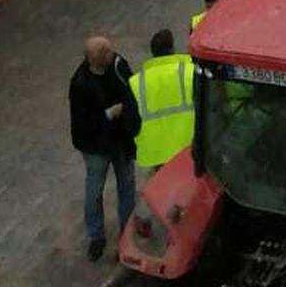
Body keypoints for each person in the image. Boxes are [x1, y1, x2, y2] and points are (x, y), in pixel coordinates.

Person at [70, 35, 140, 261]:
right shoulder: (80, 84)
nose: (114, 53)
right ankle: (96, 236)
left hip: (119, 139)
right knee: (94, 191)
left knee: (127, 184)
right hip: (96, 145)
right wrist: (109, 114)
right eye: (108, 51)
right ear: (97, 58)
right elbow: (83, 123)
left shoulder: (118, 65)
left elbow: (132, 93)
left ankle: (127, 232)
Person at [130, 28, 196, 173]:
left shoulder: (135, 82)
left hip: (155, 152)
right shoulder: (190, 71)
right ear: (172, 48)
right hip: (187, 144)